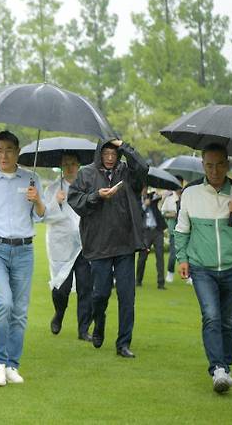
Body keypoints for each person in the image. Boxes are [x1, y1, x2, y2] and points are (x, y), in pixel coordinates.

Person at [175, 142, 232, 393]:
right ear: (203, 165)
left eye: (220, 164)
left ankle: (226, 367)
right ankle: (218, 369)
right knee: (212, 315)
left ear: (227, 164)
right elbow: (181, 230)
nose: (215, 170)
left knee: (230, 322)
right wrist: (182, 258)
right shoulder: (190, 193)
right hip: (202, 268)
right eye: (209, 165)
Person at [0, 130, 45, 386]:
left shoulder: (31, 179)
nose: (4, 155)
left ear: (18, 152)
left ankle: (13, 364)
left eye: (9, 150)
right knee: (4, 303)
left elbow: (41, 216)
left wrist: (37, 201)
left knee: (20, 311)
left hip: (24, 250)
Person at [68, 138, 148, 359]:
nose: (111, 157)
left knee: (126, 297)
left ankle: (123, 343)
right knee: (100, 294)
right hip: (99, 244)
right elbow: (75, 200)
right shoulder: (86, 174)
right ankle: (99, 323)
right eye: (107, 153)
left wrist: (125, 146)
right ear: (99, 153)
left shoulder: (127, 171)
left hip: (125, 244)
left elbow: (144, 168)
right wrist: (96, 196)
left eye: (115, 153)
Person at [42, 153, 93, 342]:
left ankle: (83, 329)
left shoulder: (87, 186)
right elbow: (43, 216)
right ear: (61, 167)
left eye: (73, 164)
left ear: (79, 165)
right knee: (61, 288)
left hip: (85, 244)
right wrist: (56, 202)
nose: (69, 167)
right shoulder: (52, 189)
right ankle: (59, 313)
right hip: (61, 245)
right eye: (65, 164)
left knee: (85, 288)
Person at [136, 189, 167, 289]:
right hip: (145, 232)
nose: (144, 190)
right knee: (142, 257)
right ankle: (138, 280)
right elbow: (137, 214)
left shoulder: (152, 197)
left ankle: (161, 283)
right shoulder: (137, 200)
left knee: (160, 257)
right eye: (142, 188)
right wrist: (145, 205)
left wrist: (157, 195)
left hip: (157, 231)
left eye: (145, 188)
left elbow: (159, 197)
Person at [161, 179, 183, 283]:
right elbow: (163, 212)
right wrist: (171, 214)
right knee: (173, 254)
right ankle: (170, 273)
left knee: (189, 255)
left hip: (186, 230)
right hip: (174, 230)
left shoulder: (186, 197)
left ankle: (189, 276)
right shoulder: (169, 199)